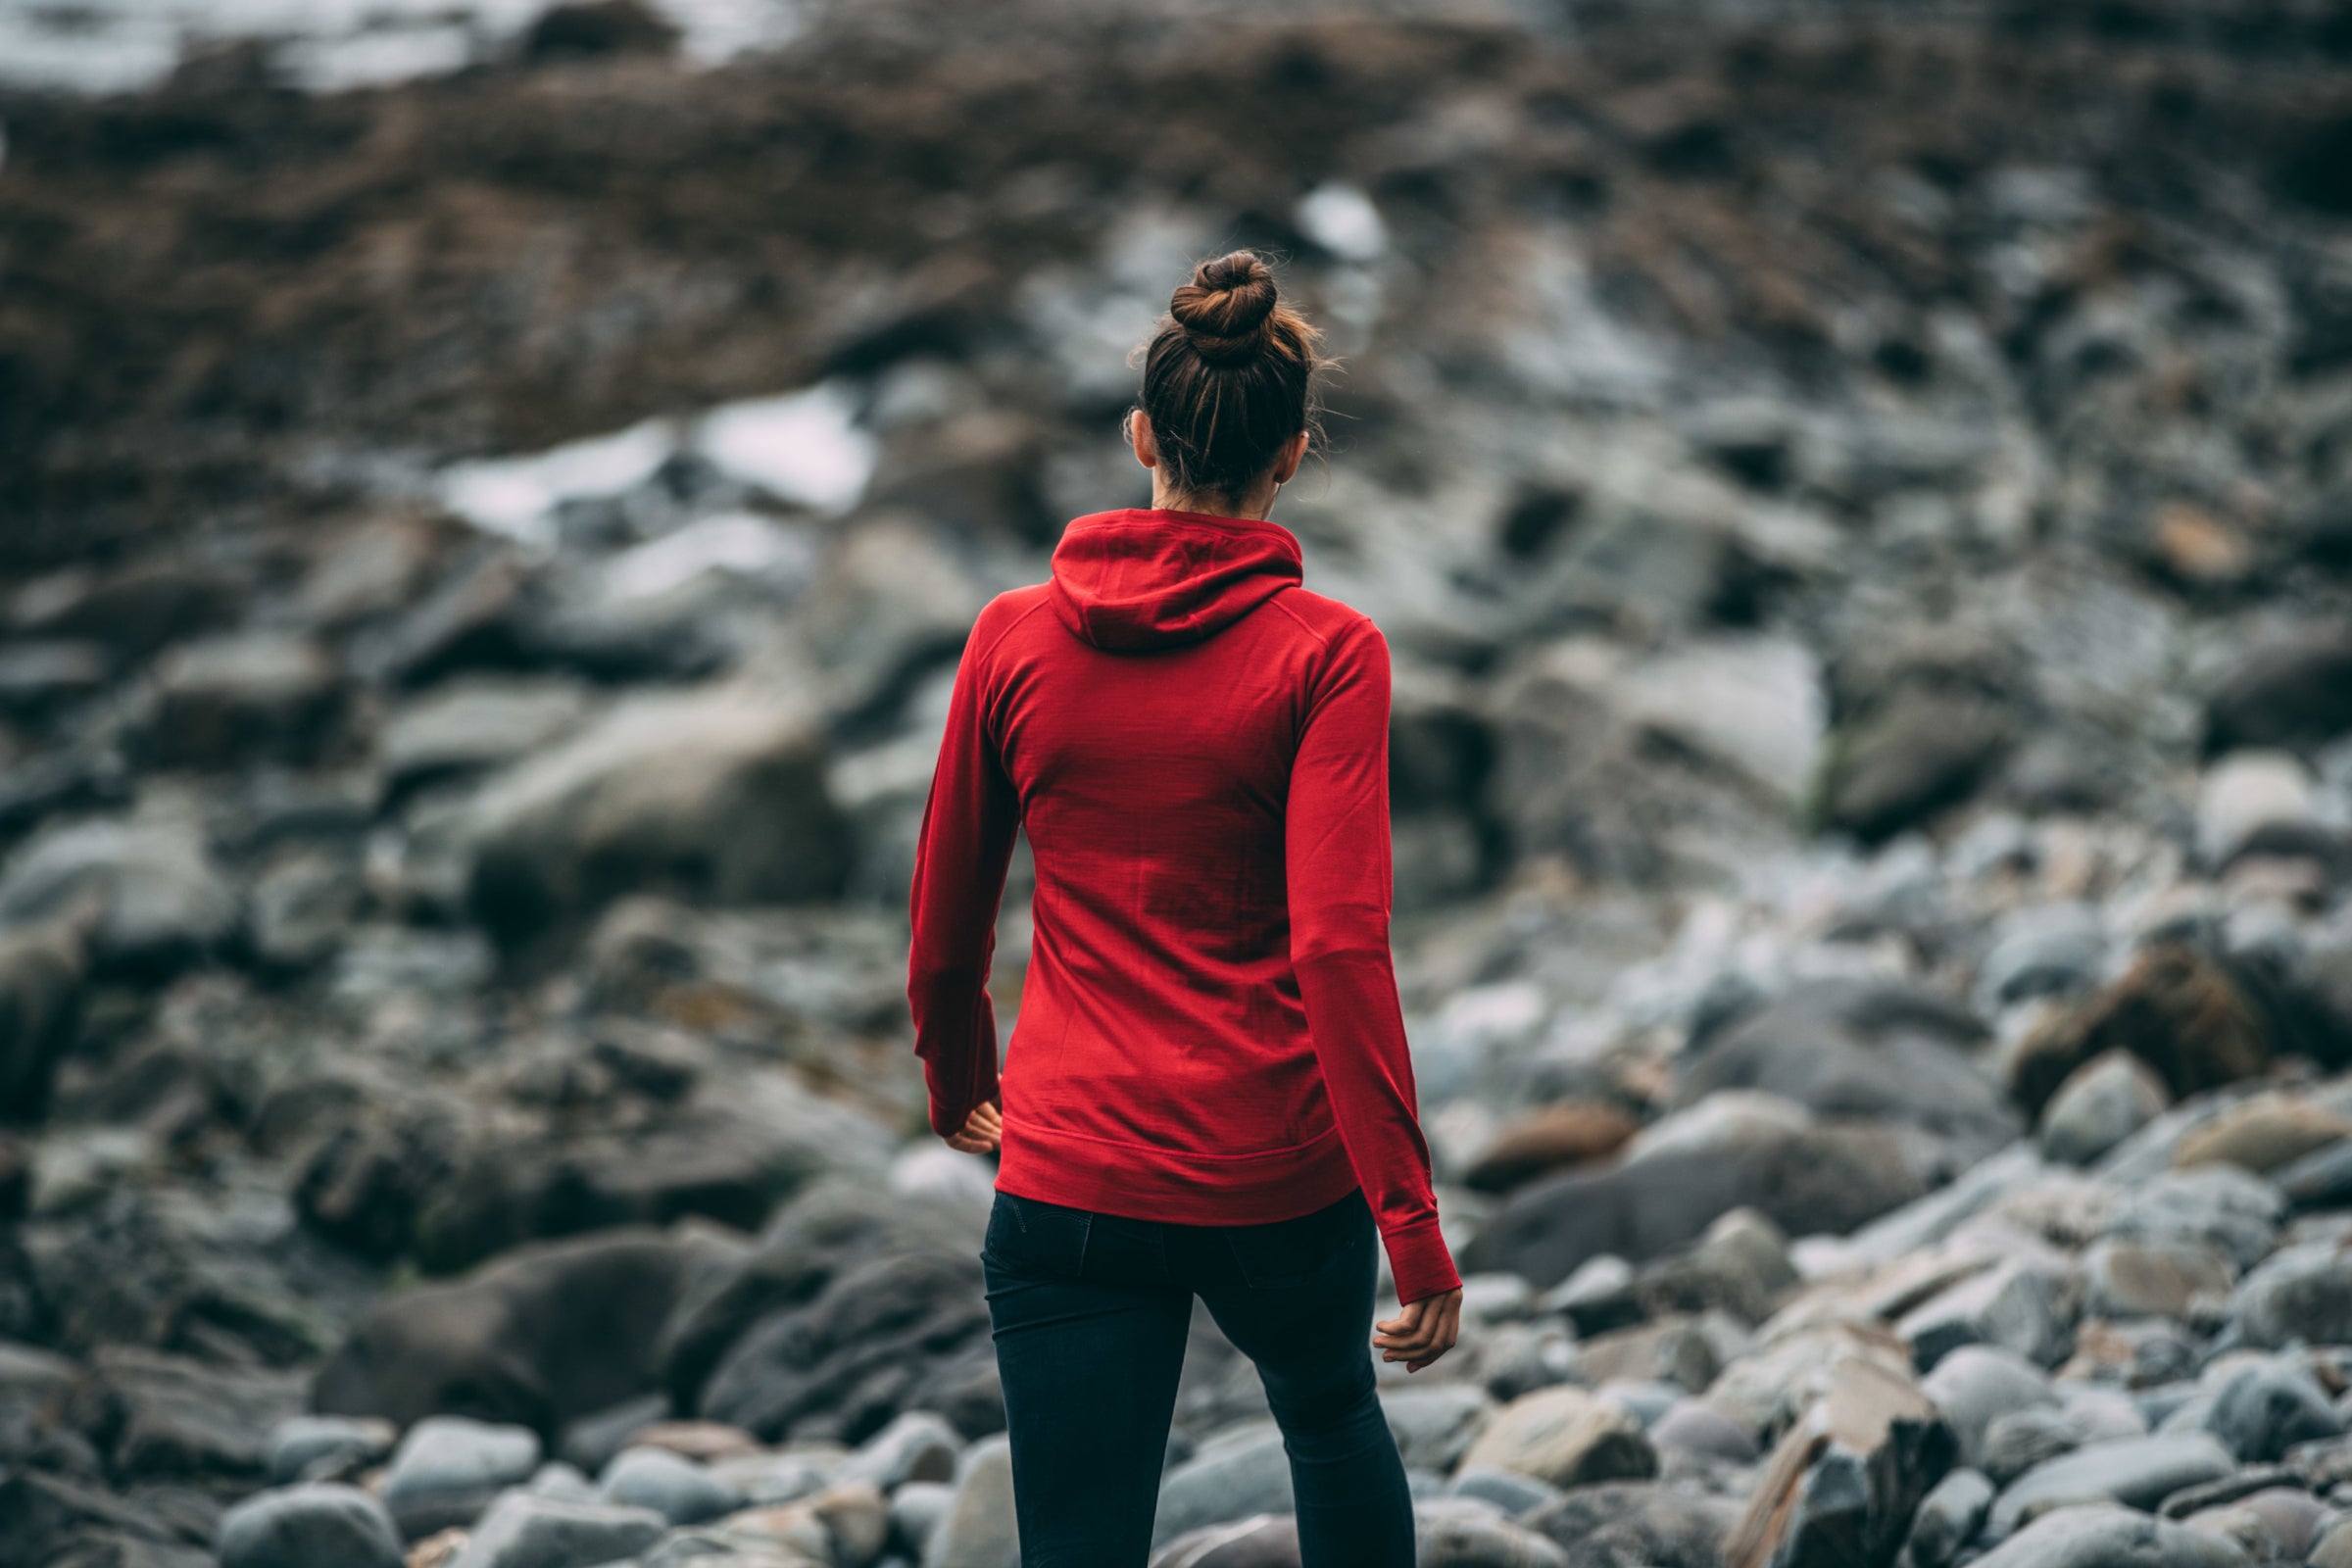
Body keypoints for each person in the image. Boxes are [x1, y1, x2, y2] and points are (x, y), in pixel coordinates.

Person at [905, 248, 1462, 1568]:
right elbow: (1337, 947)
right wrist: (1411, 1224)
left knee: (1079, 1544)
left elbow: (946, 917)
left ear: (1141, 435)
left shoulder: (1009, 638)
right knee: (1330, 1420)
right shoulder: (1330, 655)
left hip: (1069, 1169)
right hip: (1271, 1169)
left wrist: (957, 1082)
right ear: (1293, 456)